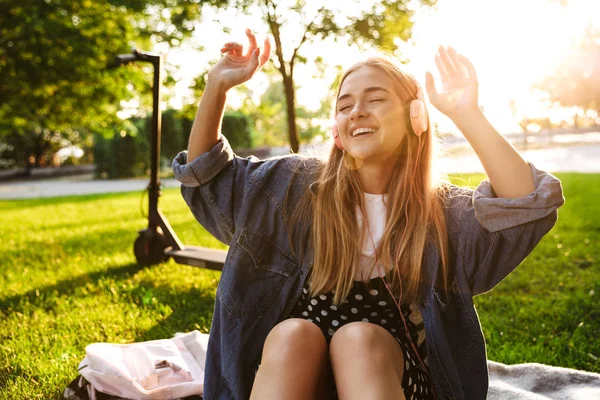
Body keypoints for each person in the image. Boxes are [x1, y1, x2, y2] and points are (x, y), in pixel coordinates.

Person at [172, 28, 565, 400]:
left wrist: (467, 113)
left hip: (390, 380)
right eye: (345, 105)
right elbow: (207, 176)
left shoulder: (442, 212)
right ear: (337, 131)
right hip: (295, 377)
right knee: (292, 335)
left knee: (358, 337)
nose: (357, 110)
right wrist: (217, 86)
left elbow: (525, 205)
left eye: (375, 99)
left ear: (416, 118)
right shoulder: (291, 187)